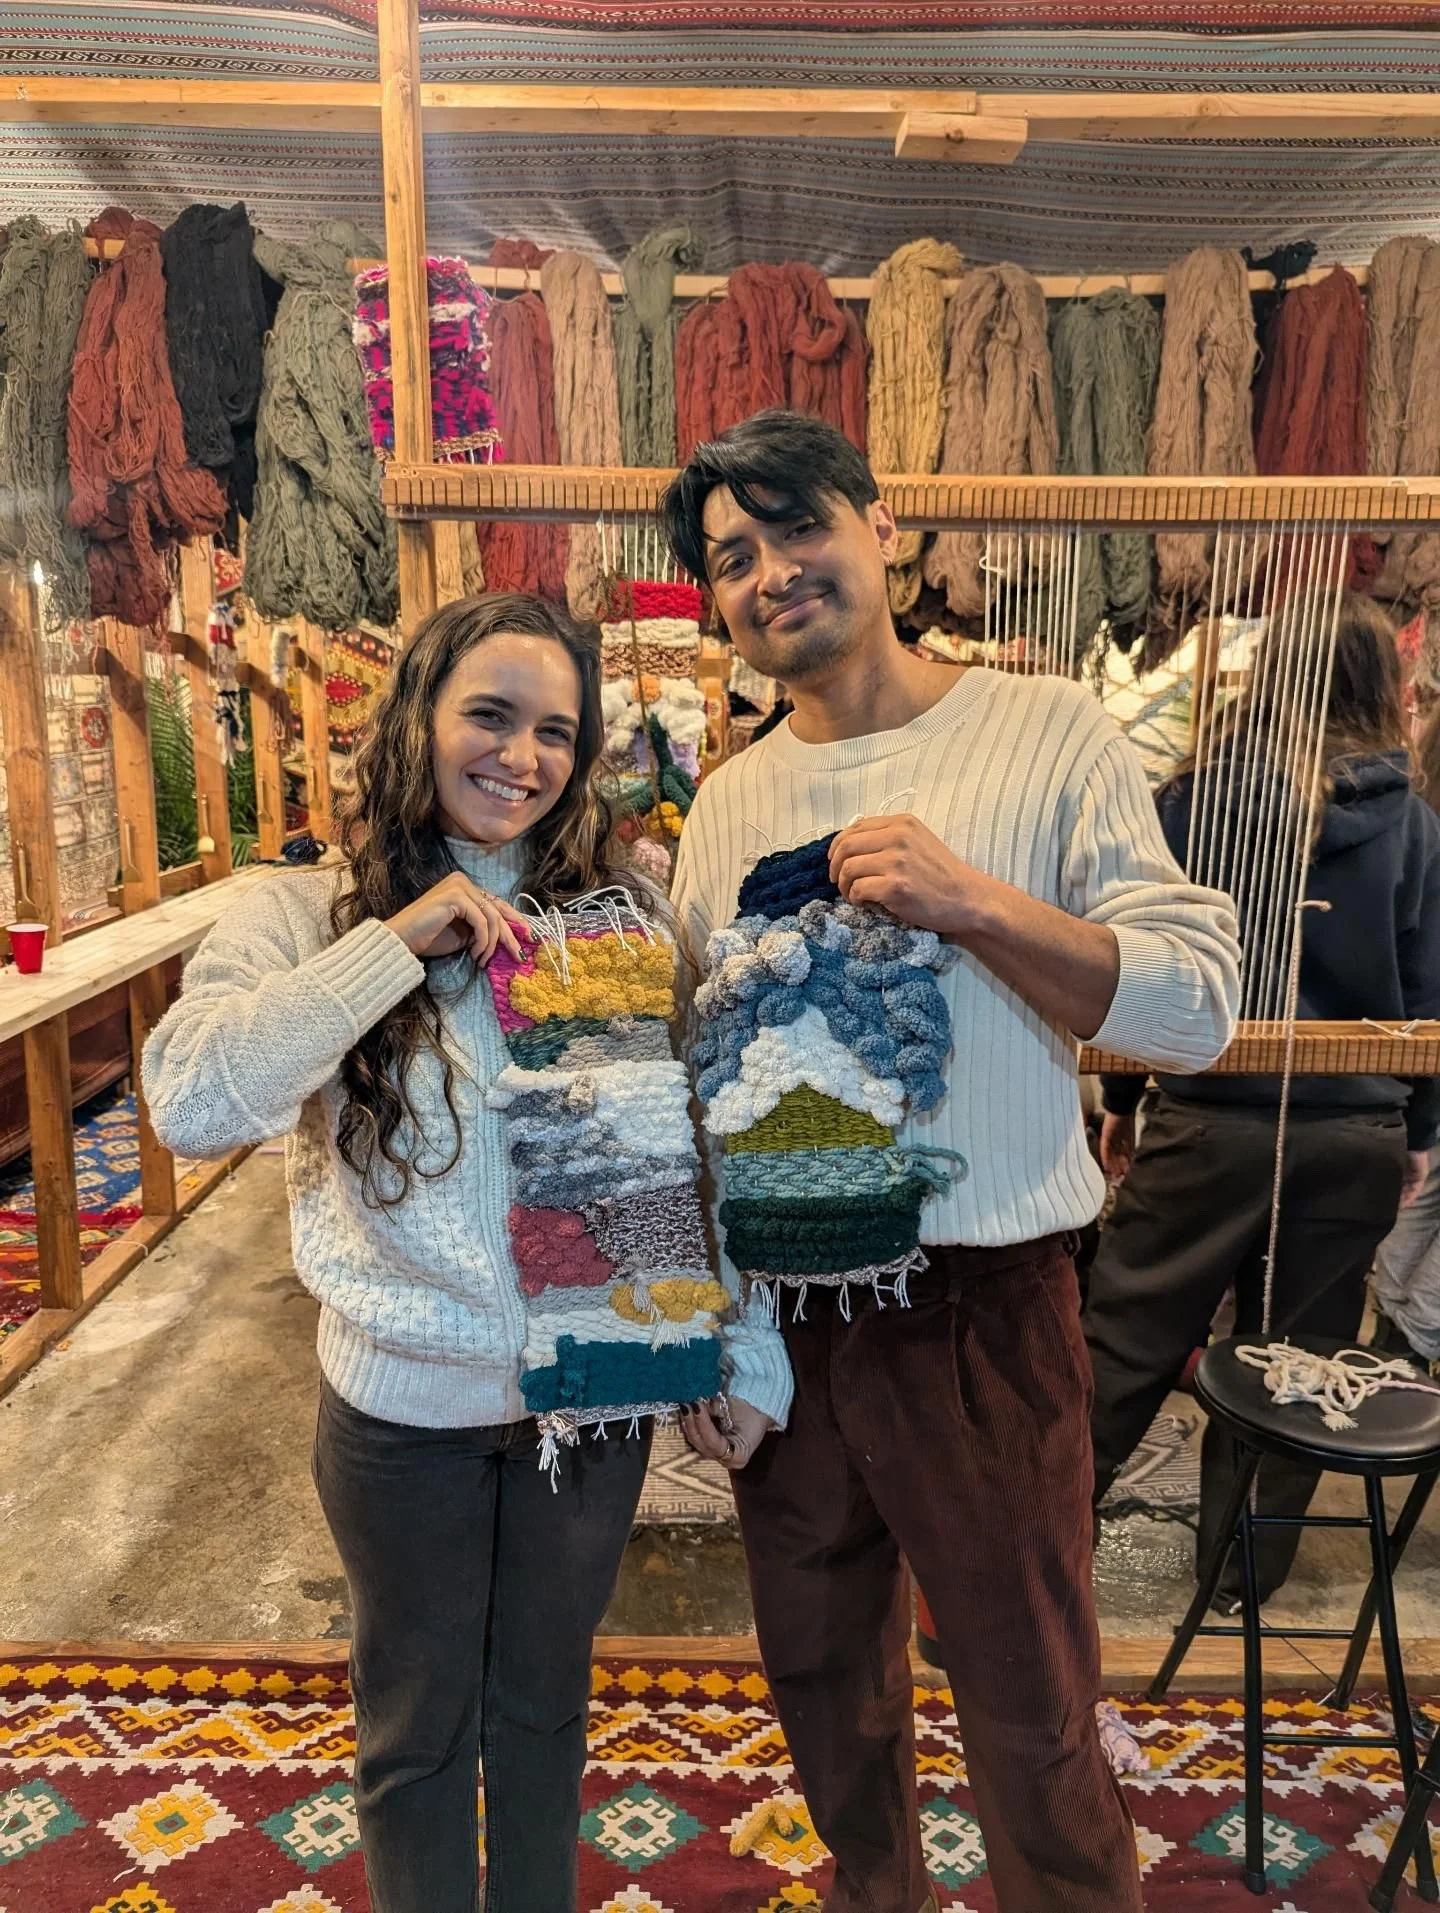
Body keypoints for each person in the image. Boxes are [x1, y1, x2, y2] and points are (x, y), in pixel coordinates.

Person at [661, 410, 1241, 1913]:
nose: (771, 572)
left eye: (797, 527)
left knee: (1033, 1710)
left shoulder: (1043, 730)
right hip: (788, 1328)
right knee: (825, 1699)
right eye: (733, 557)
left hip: (985, 1305)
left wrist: (973, 903)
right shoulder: (725, 804)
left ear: (884, 524)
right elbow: (704, 1085)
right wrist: (706, 1326)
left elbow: (1195, 1007)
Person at [142, 594, 661, 1913]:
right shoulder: (303, 910)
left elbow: (676, 1148)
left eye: (555, 730)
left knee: (544, 1716)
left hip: (587, 1409)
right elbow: (193, 1102)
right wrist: (393, 945)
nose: (522, 757)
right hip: (400, 1414)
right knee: (417, 1731)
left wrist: (722, 1350)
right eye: (489, 714)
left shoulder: (618, 911)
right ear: (417, 715)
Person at [1085, 594, 1440, 1605]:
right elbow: (1427, 997)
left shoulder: (1188, 801)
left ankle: (1039, 1543)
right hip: (1354, 1133)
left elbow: (1142, 962)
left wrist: (1120, 1093)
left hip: (1211, 1119)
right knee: (1304, 1358)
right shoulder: (1415, 828)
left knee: (1122, 1340)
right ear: (1386, 688)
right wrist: (1415, 1129)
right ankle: (1237, 1581)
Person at [1365, 696, 1440, 1371]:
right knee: (1410, 1281)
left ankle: (1395, 1378)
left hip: (1413, 1078)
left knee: (1409, 1277)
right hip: (1413, 1082)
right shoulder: (1416, 824)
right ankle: (1397, 1384)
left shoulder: (1414, 821)